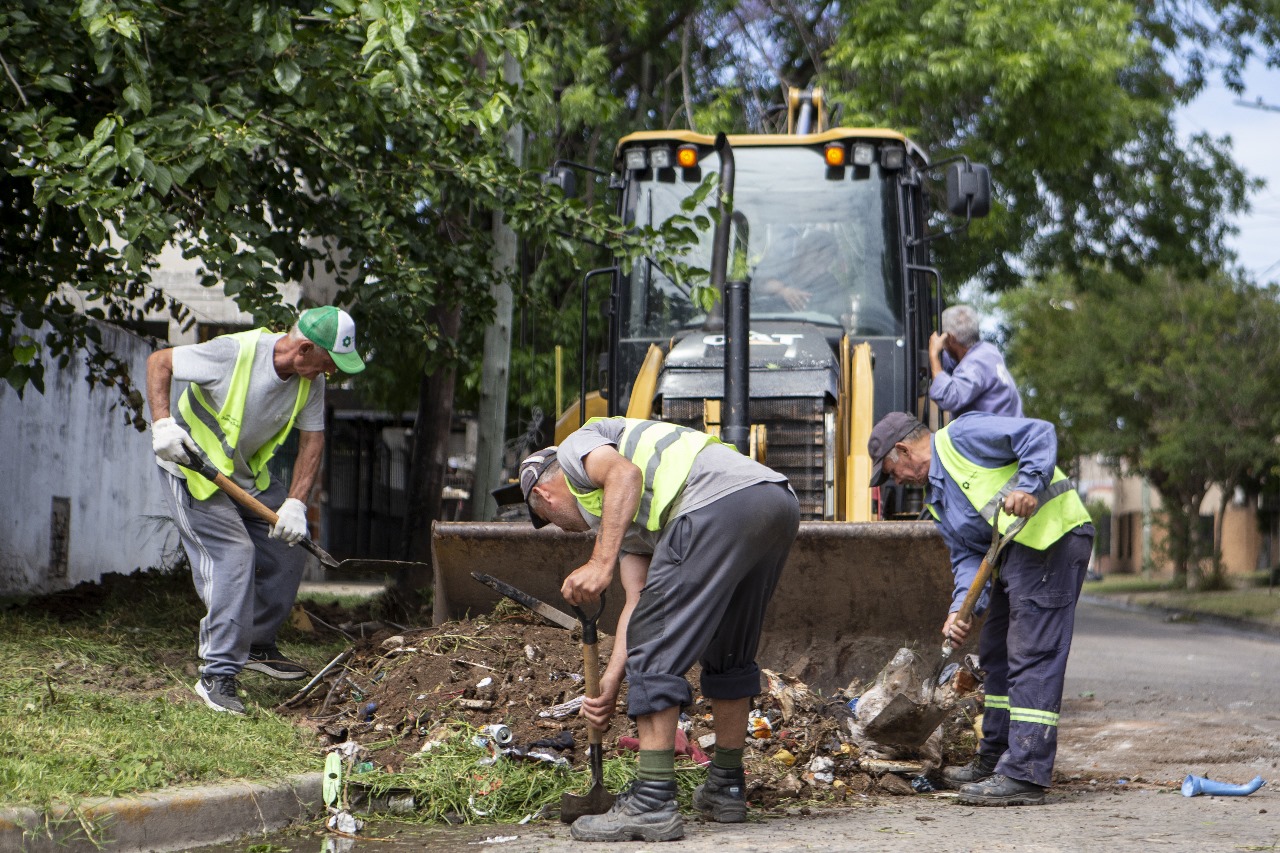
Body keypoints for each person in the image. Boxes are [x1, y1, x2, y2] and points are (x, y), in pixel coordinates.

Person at [517, 417, 799, 842]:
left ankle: (652, 801)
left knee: (656, 644)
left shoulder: (577, 448)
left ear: (543, 494)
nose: (560, 527)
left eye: (549, 519)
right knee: (728, 649)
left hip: (715, 504)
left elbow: (623, 475)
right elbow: (638, 603)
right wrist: (611, 682)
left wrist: (599, 563)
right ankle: (726, 786)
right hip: (772, 501)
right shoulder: (630, 523)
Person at [146, 306, 365, 715]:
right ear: (303, 349)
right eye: (329, 363)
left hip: (243, 476)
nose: (331, 373)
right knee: (235, 555)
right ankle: (216, 674)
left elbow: (312, 441)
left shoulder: (308, 381)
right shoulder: (234, 353)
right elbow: (160, 361)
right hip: (192, 469)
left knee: (289, 544)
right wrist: (162, 424)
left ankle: (258, 643)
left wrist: (297, 503)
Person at [867, 410, 1093, 806]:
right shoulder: (937, 499)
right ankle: (995, 758)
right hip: (1013, 558)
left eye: (892, 471)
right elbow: (968, 559)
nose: (896, 481)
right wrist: (961, 610)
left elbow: (1038, 433)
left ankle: (1025, 773)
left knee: (1032, 654)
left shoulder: (963, 437)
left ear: (903, 449)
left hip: (1051, 541)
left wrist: (1029, 486)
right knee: (995, 655)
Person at [928, 304, 1023, 417]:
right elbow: (954, 364)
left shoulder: (975, 364)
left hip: (993, 433)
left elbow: (947, 398)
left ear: (951, 338)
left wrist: (933, 355)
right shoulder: (989, 352)